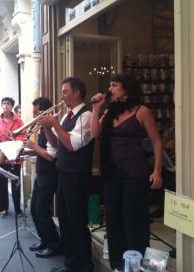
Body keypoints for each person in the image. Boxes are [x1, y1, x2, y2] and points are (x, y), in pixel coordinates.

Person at [90, 73, 163, 272]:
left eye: (114, 85)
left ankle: (137, 264)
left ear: (126, 90)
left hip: (135, 173)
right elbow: (95, 134)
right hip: (112, 174)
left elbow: (156, 142)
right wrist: (96, 109)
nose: (110, 89)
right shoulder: (110, 112)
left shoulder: (141, 111)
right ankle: (118, 265)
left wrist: (157, 171)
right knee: (113, 220)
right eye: (109, 85)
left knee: (133, 220)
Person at [41, 77, 94, 272]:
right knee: (64, 221)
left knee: (77, 222)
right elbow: (56, 145)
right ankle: (70, 263)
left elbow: (72, 145)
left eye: (65, 92)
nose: (62, 96)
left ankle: (85, 266)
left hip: (77, 176)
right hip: (63, 174)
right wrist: (47, 128)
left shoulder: (86, 115)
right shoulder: (65, 117)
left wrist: (54, 123)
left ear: (77, 92)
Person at [23, 97, 62, 258]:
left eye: (37, 112)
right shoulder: (41, 128)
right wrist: (27, 151)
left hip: (50, 174)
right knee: (34, 209)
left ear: (46, 112)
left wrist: (33, 147)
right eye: (34, 113)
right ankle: (45, 240)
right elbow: (41, 150)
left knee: (42, 211)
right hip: (41, 173)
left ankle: (54, 245)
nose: (34, 116)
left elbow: (51, 156)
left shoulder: (52, 128)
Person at [0, 97, 25, 218]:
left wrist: (14, 139)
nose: (5, 105)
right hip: (2, 155)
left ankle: (17, 208)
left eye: (8, 103)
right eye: (3, 103)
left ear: (12, 106)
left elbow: (24, 136)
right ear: (1, 105)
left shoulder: (19, 121)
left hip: (15, 155)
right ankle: (3, 208)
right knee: (2, 182)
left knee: (16, 182)